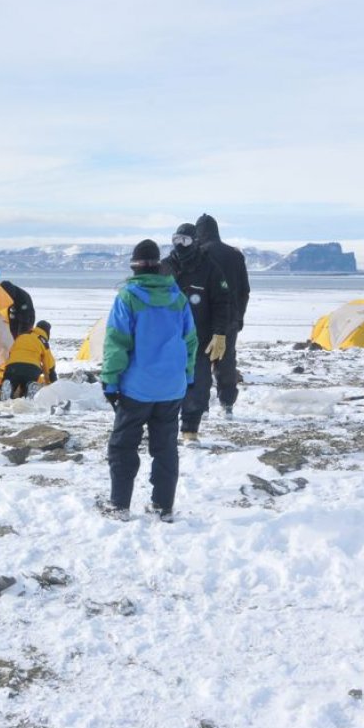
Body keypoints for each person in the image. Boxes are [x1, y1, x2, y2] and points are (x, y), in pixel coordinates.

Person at [99, 240, 198, 523]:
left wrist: (110, 382)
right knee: (165, 448)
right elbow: (190, 341)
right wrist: (189, 377)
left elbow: (116, 343)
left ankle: (119, 505)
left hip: (136, 389)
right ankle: (163, 506)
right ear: (159, 265)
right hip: (171, 388)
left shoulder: (128, 297)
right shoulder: (178, 297)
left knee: (122, 446)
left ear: (134, 266)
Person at [160, 224, 231, 443]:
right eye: (176, 239)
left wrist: (220, 333)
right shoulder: (164, 268)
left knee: (198, 384)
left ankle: (190, 429)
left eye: (185, 241)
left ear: (195, 242)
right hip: (167, 338)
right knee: (164, 383)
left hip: (199, 338)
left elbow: (222, 302)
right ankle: (161, 427)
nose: (179, 245)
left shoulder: (209, 268)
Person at [195, 214, 250, 416]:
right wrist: (239, 317)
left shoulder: (199, 253)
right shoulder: (234, 255)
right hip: (229, 318)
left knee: (201, 361)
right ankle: (227, 404)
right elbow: (245, 290)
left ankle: (201, 407)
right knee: (226, 360)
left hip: (203, 318)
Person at [2, 320, 57, 398]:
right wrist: (51, 384)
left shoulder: (21, 336)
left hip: (12, 367)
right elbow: (49, 365)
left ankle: (9, 387)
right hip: (31, 369)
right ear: (47, 332)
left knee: (11, 382)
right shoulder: (42, 341)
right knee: (27, 386)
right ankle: (29, 388)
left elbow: (11, 353)